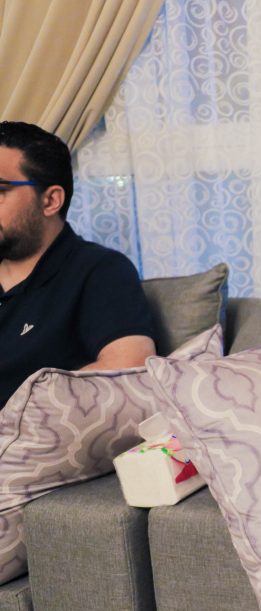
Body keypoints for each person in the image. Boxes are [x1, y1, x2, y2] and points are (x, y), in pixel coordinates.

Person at [0, 121, 156, 408]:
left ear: (50, 200)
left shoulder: (99, 271)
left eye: (1, 190)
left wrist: (14, 412)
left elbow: (130, 366)